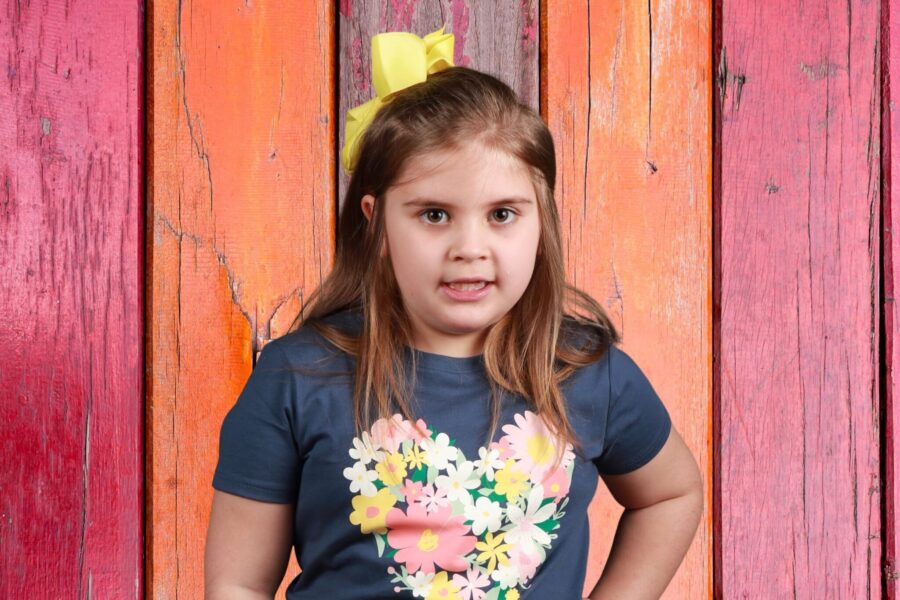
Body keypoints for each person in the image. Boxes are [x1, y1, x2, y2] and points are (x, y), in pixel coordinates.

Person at [204, 27, 703, 600]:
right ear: (377, 222)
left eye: (502, 214)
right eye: (435, 215)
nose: (470, 247)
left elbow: (671, 494)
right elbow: (237, 582)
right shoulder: (296, 378)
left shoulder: (589, 374)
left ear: (541, 219)